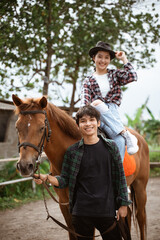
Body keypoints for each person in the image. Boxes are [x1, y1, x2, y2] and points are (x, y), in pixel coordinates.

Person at [34, 105, 131, 240]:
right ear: (78, 125)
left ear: (98, 123)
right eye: (83, 121)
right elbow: (64, 180)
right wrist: (46, 177)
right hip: (81, 213)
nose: (88, 124)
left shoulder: (111, 147)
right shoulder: (72, 152)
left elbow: (120, 178)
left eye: (91, 120)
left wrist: (123, 205)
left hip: (107, 212)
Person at [80, 41, 139, 161]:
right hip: (96, 115)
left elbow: (132, 76)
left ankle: (118, 174)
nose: (103, 60)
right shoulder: (88, 80)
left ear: (110, 60)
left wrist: (124, 59)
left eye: (107, 57)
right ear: (93, 58)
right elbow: (84, 104)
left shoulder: (114, 74)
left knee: (120, 141)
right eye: (100, 56)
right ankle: (125, 132)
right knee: (97, 103)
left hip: (113, 113)